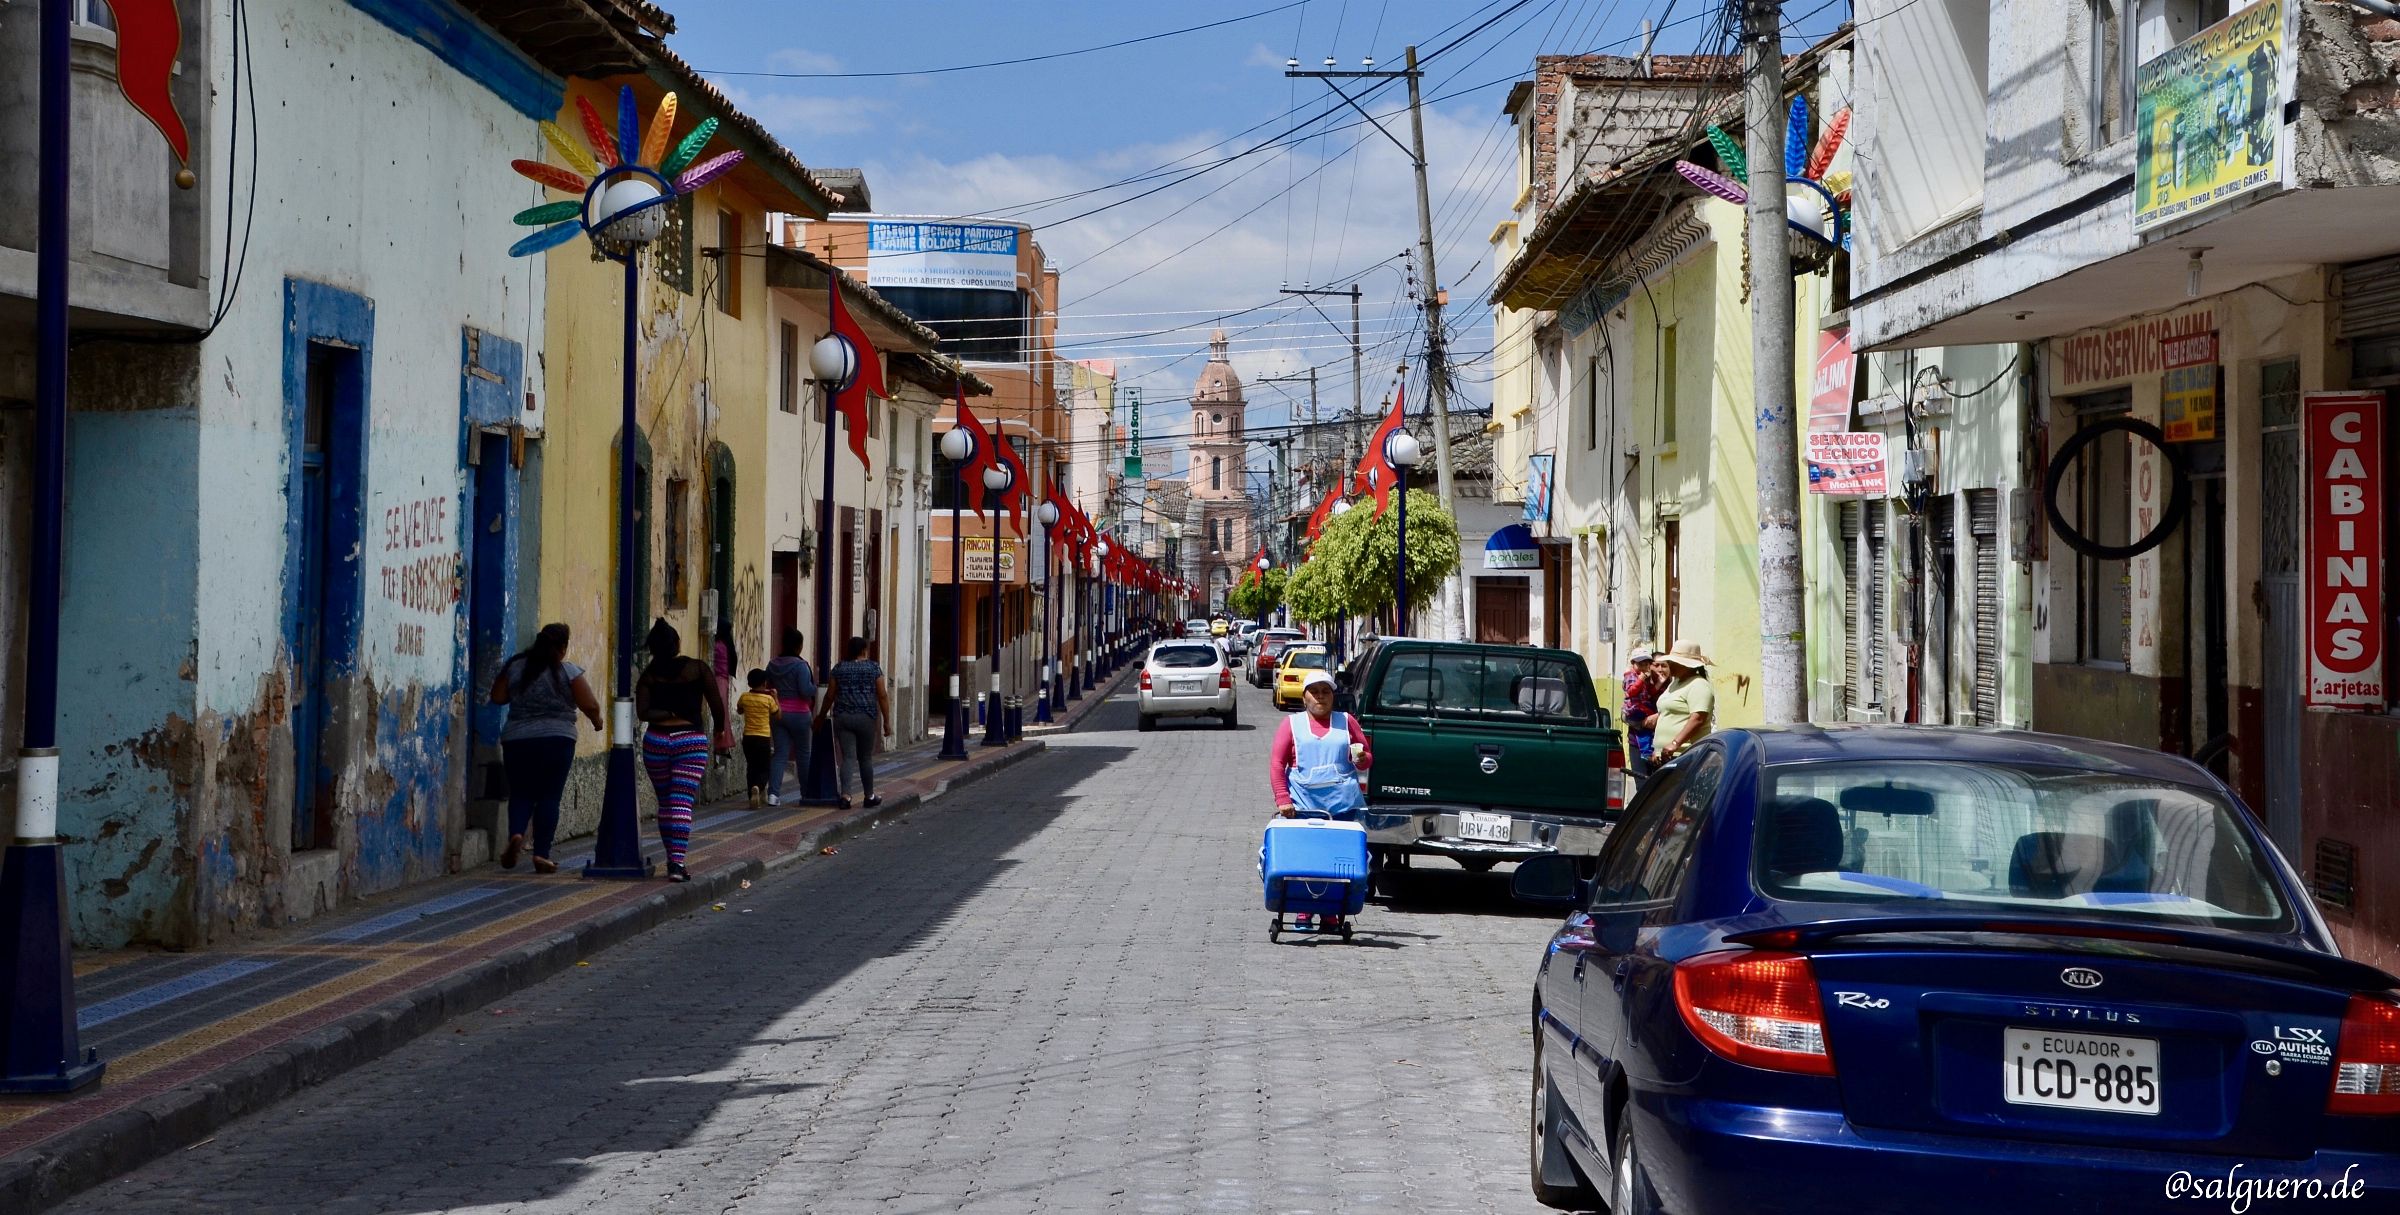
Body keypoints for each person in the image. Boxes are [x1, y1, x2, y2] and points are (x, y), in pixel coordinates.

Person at [489, 623, 603, 874]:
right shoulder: (567, 671)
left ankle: (516, 834)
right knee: (549, 797)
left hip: (517, 739)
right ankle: (541, 853)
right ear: (561, 649)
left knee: (521, 793)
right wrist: (597, 722)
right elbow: (590, 704)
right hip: (557, 739)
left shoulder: (517, 666)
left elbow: (497, 697)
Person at [1268, 668, 1374, 931]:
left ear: (1333, 696)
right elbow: (1277, 763)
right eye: (1314, 692)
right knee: (1307, 859)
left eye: (1325, 692)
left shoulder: (1347, 722)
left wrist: (1362, 759)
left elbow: (1366, 757)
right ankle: (1304, 910)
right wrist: (1283, 798)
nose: (1320, 697)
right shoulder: (1291, 725)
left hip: (1342, 807)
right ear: (1304, 698)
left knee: (1336, 861)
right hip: (1304, 806)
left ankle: (1330, 912)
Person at [635, 618, 730, 882]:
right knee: (681, 802)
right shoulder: (697, 669)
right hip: (689, 741)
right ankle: (676, 864)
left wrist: (665, 712)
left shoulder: (648, 676)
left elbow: (642, 712)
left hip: (656, 742)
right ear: (676, 644)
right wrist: (720, 729)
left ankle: (672, 859)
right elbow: (716, 703)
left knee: (666, 803)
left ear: (652, 648)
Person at [817, 636, 891, 810]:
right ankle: (869, 796)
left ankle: (845, 796)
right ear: (864, 650)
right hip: (866, 717)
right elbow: (882, 695)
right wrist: (886, 721)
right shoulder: (873, 668)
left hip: (843, 717)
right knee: (865, 757)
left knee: (848, 757)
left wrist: (821, 716)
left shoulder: (839, 668)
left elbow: (830, 695)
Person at [764, 630, 817, 805]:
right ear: (799, 646)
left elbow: (768, 686)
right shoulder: (801, 666)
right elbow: (805, 691)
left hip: (778, 713)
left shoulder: (772, 665)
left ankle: (773, 795)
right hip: (800, 714)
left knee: (780, 754)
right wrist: (814, 686)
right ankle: (807, 792)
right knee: (803, 754)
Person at [1652, 639, 1718, 763]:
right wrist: (1657, 750)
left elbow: (1698, 718)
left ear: (1687, 665)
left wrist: (1675, 743)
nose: (1670, 664)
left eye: (1675, 662)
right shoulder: (1675, 683)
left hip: (1686, 756)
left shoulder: (1699, 685)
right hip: (1667, 756)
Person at [1620, 644, 1665, 779]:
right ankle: (1646, 752)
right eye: (1656, 665)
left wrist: (1659, 684)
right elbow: (1629, 696)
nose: (1659, 669)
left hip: (1664, 747)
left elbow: (1649, 693)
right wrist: (1643, 723)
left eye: (1664, 665)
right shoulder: (1635, 677)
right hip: (1637, 716)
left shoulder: (1670, 687)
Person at [737, 669, 778, 809]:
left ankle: (751, 796)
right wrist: (776, 697)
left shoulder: (744, 697)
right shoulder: (768, 699)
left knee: (752, 767)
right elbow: (778, 715)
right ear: (764, 683)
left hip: (748, 737)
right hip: (763, 738)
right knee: (765, 768)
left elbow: (740, 710)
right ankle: (759, 787)